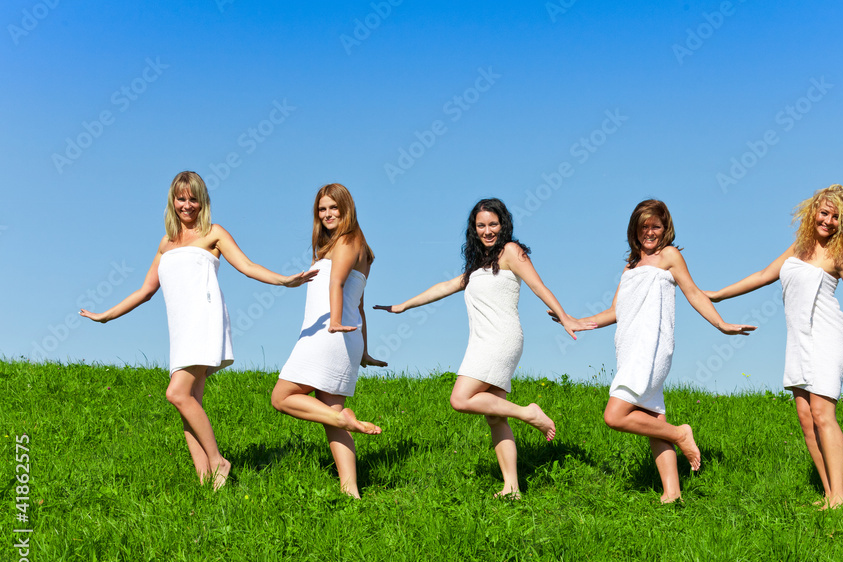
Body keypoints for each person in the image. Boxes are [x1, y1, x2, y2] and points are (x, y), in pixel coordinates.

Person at [81, 171, 318, 490]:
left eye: (193, 199)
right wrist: (106, 316)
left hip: (204, 321)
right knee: (189, 403)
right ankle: (206, 482)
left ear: (202, 201)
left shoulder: (213, 233)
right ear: (172, 201)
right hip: (180, 328)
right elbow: (145, 291)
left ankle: (218, 460)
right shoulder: (166, 243)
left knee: (176, 393)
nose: (187, 205)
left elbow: (248, 267)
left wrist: (284, 280)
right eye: (181, 198)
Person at [705, 184, 843, 509]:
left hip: (826, 336)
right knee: (806, 419)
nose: (829, 221)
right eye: (824, 213)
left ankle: (840, 498)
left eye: (836, 218)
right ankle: (828, 494)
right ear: (812, 212)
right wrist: (717, 296)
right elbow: (763, 275)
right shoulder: (799, 248)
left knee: (822, 413)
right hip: (798, 339)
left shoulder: (842, 255)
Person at [374, 197, 595, 498]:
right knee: (495, 416)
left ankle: (529, 413)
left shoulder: (511, 251)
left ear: (503, 224)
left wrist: (566, 317)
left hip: (500, 338)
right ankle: (512, 487)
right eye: (481, 225)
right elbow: (444, 287)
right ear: (474, 229)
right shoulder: (478, 265)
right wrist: (403, 306)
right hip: (482, 341)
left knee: (460, 399)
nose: (487, 231)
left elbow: (538, 285)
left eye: (493, 224)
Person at [564, 199, 755, 503]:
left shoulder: (670, 256)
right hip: (629, 347)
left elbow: (693, 293)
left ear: (665, 228)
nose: (649, 232)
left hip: (651, 347)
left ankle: (681, 434)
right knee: (651, 417)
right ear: (634, 230)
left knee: (614, 416)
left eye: (655, 226)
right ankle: (672, 493)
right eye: (644, 227)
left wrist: (721, 325)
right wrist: (578, 322)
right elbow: (615, 311)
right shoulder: (630, 266)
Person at [271, 184, 385, 499]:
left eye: (334, 207)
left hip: (329, 334)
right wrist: (364, 350)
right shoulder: (356, 247)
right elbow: (359, 305)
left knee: (281, 397)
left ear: (347, 208)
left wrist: (334, 322)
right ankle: (351, 492)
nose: (327, 214)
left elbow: (336, 283)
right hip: (345, 337)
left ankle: (342, 419)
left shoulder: (347, 241)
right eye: (322, 209)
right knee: (332, 416)